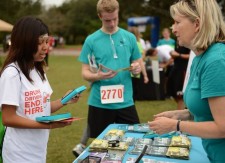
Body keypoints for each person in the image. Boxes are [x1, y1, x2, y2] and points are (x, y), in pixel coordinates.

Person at [148, 0, 225, 162]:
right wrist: (182, 114)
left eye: (177, 22)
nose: (173, 29)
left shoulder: (216, 61)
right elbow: (209, 108)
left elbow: (222, 127)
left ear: (197, 24)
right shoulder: (200, 57)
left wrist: (175, 126)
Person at [0, 16, 80, 163]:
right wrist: (47, 126)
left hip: (38, 149)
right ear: (25, 43)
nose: (46, 47)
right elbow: (8, 118)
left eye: (46, 41)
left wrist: (64, 100)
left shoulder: (38, 70)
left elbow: (41, 109)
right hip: (18, 153)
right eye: (39, 42)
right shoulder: (12, 73)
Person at [72, 0, 142, 157]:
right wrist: (97, 76)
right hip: (100, 103)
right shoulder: (91, 40)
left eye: (115, 19)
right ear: (99, 16)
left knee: (133, 141)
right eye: (107, 20)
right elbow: (84, 72)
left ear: (118, 14)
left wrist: (136, 67)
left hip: (126, 101)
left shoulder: (129, 37)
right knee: (103, 149)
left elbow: (137, 62)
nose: (111, 23)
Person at [167, 44, 190, 110]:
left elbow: (192, 56)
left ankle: (180, 116)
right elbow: (175, 54)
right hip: (175, 69)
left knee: (180, 95)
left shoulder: (188, 42)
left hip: (183, 70)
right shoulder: (178, 42)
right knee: (174, 94)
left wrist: (178, 55)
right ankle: (186, 110)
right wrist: (172, 54)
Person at [129, 27, 149, 101]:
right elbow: (140, 61)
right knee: (133, 95)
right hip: (135, 73)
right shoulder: (138, 44)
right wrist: (145, 75)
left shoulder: (123, 45)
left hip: (125, 73)